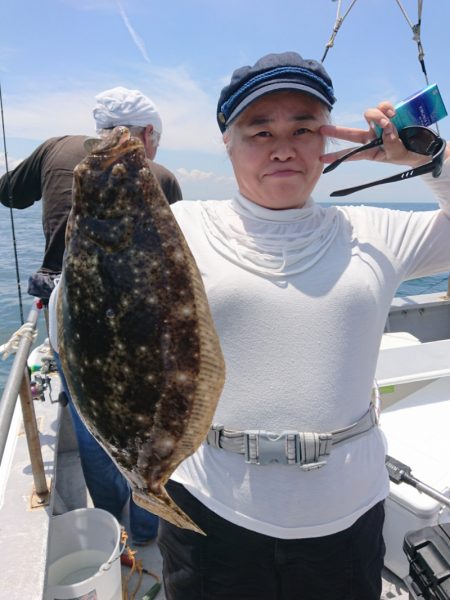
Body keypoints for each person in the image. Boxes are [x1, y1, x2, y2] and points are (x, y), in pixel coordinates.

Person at [154, 52, 450, 599]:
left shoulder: (376, 230)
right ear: (227, 142)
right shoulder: (177, 228)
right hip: (208, 508)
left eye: (304, 128)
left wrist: (430, 156)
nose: (283, 148)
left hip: (347, 514)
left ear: (329, 141)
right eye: (259, 130)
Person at [43, 87, 182, 545]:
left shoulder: (65, 159)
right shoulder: (156, 176)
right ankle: (144, 526)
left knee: (90, 422)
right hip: (140, 325)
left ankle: (112, 519)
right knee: (145, 408)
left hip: (75, 322)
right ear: (146, 134)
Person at [0, 86, 182, 302]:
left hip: (62, 299)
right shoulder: (163, 177)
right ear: (147, 132)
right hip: (134, 306)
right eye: (157, 141)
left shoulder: (55, 148)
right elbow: (178, 260)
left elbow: (9, 194)